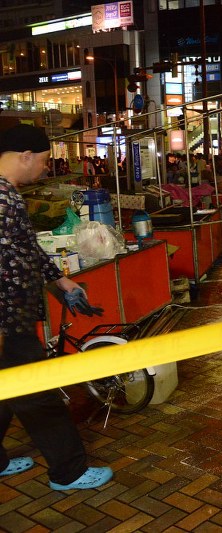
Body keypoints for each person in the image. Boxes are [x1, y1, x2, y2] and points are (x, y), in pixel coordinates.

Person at [0, 124, 113, 491]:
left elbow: (24, 250)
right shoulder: (1, 199)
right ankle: (69, 471)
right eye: (46, 161)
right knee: (38, 393)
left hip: (13, 315)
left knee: (8, 388)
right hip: (6, 320)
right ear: (26, 156)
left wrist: (61, 282)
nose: (47, 169)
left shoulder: (8, 195)